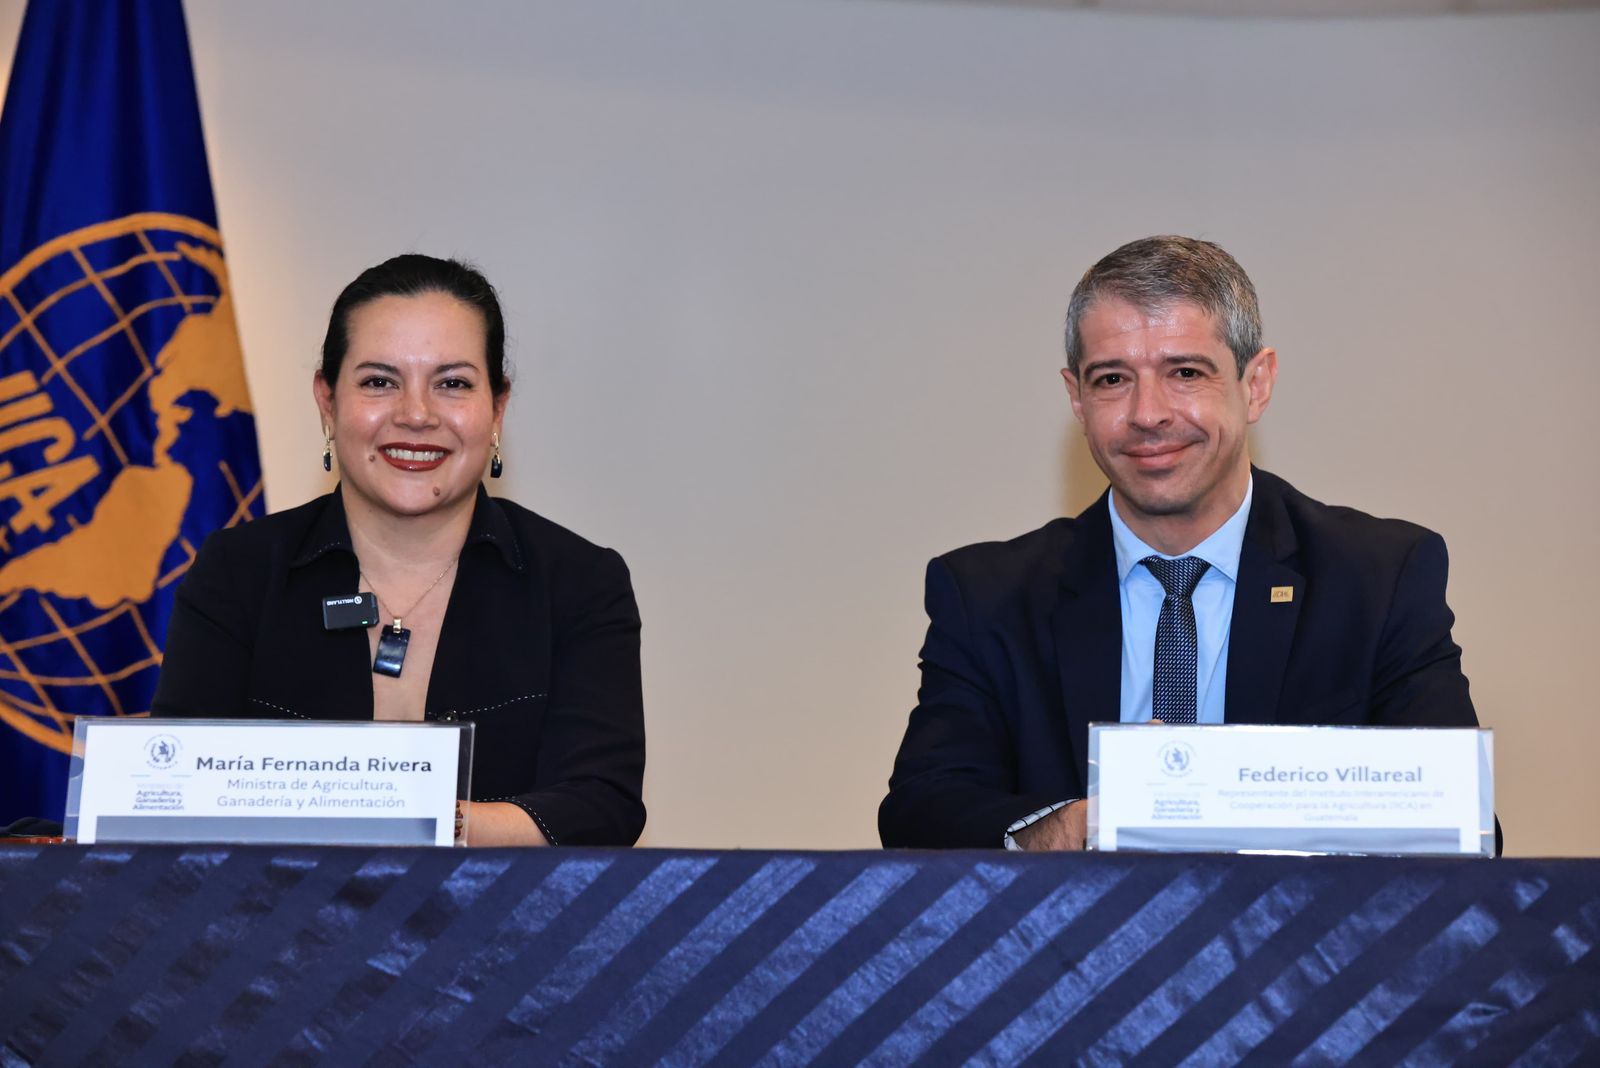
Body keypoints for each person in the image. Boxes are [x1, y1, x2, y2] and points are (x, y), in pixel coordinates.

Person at [879, 235, 1482, 851]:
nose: (1148, 413)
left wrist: (1220, 813)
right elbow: (921, 812)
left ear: (1256, 384)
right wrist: (1086, 828)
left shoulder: (1378, 577)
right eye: (1113, 379)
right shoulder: (989, 597)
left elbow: (1457, 823)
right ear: (1077, 399)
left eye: (1185, 373)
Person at [154, 254, 644, 846]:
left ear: (497, 408)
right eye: (379, 382)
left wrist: (411, 817)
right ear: (328, 403)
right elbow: (176, 791)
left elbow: (600, 807)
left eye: (452, 383)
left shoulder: (581, 582)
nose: (416, 415)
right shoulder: (237, 572)